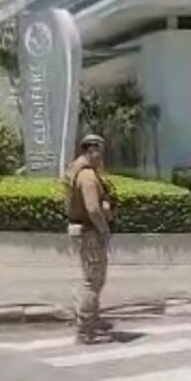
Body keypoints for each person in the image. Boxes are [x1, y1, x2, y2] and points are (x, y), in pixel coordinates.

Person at [64, 134, 113, 344]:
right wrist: (104, 229)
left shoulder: (76, 170)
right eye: (100, 152)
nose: (101, 158)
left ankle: (93, 318)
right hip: (91, 231)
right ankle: (85, 329)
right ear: (92, 151)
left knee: (93, 278)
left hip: (85, 230)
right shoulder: (87, 177)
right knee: (93, 281)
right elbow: (93, 208)